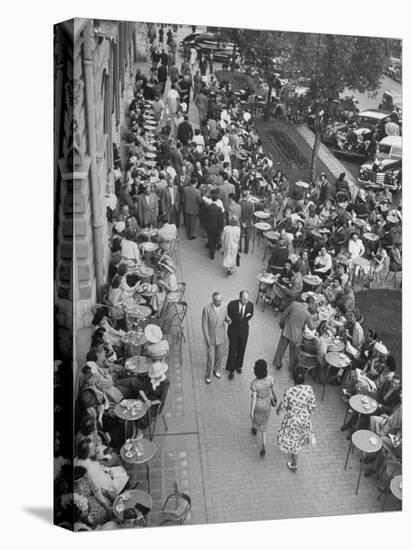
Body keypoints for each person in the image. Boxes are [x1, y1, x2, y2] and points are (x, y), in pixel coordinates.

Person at [276, 368, 316, 472]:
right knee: (298, 439)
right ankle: (294, 459)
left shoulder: (289, 391)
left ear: (293, 379)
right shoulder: (309, 389)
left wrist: (278, 410)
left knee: (293, 441)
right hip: (304, 419)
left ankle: (294, 463)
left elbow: (283, 406)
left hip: (292, 420)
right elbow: (312, 406)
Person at [273, 297, 318, 372]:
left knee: (281, 348)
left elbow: (284, 314)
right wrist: (318, 323)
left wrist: (281, 324)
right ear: (310, 304)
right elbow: (311, 327)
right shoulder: (308, 314)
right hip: (296, 336)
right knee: (294, 353)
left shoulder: (294, 304)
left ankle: (277, 363)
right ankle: (291, 368)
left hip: (287, 330)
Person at [250, 359, 277, 457]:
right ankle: (263, 446)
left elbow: (253, 398)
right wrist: (275, 398)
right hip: (267, 404)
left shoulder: (254, 383)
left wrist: (252, 412)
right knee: (264, 425)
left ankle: (254, 428)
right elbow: (273, 390)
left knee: (255, 418)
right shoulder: (270, 379)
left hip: (258, 404)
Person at [226, 290, 254, 380]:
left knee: (242, 349)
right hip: (233, 330)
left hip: (244, 331)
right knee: (232, 350)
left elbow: (250, 315)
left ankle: (238, 366)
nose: (246, 301)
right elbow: (229, 314)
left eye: (247, 299)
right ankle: (231, 369)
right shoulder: (232, 304)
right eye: (244, 299)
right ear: (240, 298)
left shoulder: (250, 305)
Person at [201, 292, 228, 384]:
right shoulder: (206, 309)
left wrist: (228, 320)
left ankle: (216, 370)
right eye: (218, 301)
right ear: (213, 300)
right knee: (210, 356)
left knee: (219, 354)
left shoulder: (224, 306)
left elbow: (225, 317)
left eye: (221, 300)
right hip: (211, 336)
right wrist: (207, 338)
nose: (220, 302)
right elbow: (204, 325)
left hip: (220, 335)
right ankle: (208, 375)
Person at [204, 190, 225, 260]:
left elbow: (205, 217)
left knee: (210, 238)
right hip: (216, 227)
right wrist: (221, 228)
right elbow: (221, 220)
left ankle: (210, 248)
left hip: (209, 226)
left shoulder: (208, 208)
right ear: (216, 200)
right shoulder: (219, 209)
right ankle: (213, 251)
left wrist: (205, 225)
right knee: (214, 239)